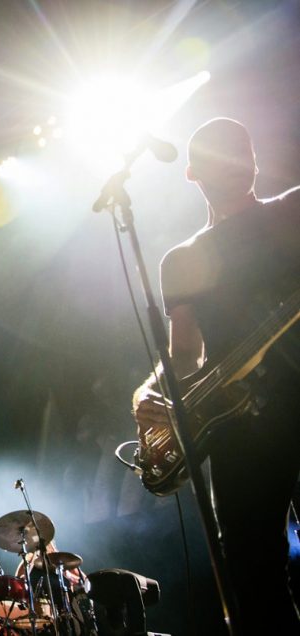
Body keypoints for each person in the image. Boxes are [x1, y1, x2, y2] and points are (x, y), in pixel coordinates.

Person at [133, 117, 300, 632]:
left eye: (242, 151)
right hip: (240, 429)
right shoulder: (182, 260)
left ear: (253, 161)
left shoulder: (292, 209)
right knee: (252, 574)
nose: (234, 162)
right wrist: (148, 390)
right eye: (219, 155)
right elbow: (183, 353)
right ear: (191, 173)